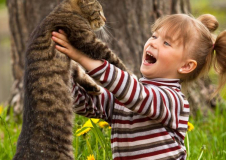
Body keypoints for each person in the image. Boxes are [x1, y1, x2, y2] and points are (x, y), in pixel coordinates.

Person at [52, 14, 226, 160]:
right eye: (154, 36)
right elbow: (90, 103)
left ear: (186, 66)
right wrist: (61, 78)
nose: (153, 43)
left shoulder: (172, 100)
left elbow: (138, 96)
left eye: (166, 43)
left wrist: (84, 58)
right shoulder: (128, 94)